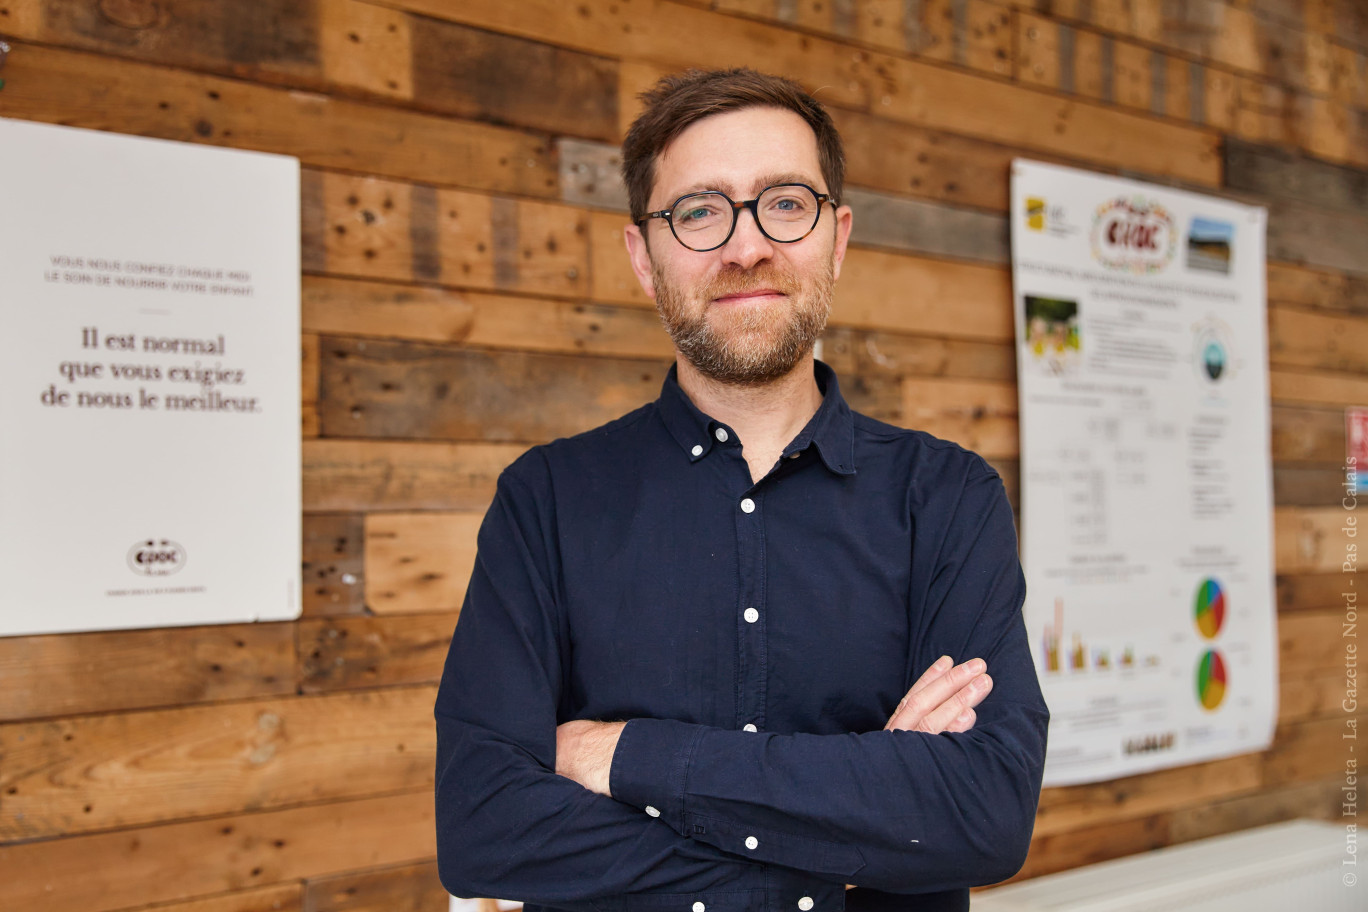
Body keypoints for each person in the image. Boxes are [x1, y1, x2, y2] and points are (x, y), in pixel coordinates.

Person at [435, 68, 1048, 912]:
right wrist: (846, 840)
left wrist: (623, 758)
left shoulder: (947, 499)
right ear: (643, 258)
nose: (746, 246)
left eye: (785, 203)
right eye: (699, 212)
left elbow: (983, 814)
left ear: (836, 238)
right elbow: (484, 827)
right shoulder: (547, 500)